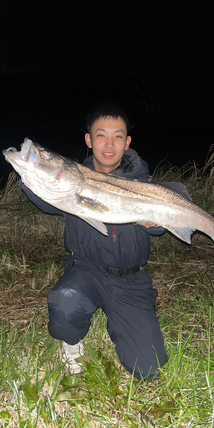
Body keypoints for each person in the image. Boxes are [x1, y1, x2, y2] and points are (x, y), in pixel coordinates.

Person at [21, 104, 169, 380]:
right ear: (89, 140)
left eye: (117, 136)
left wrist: (157, 223)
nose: (109, 144)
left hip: (130, 280)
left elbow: (160, 229)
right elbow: (47, 198)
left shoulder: (146, 183)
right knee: (66, 302)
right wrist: (30, 173)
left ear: (127, 142)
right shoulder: (71, 179)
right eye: (101, 135)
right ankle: (71, 343)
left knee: (149, 368)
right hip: (85, 270)